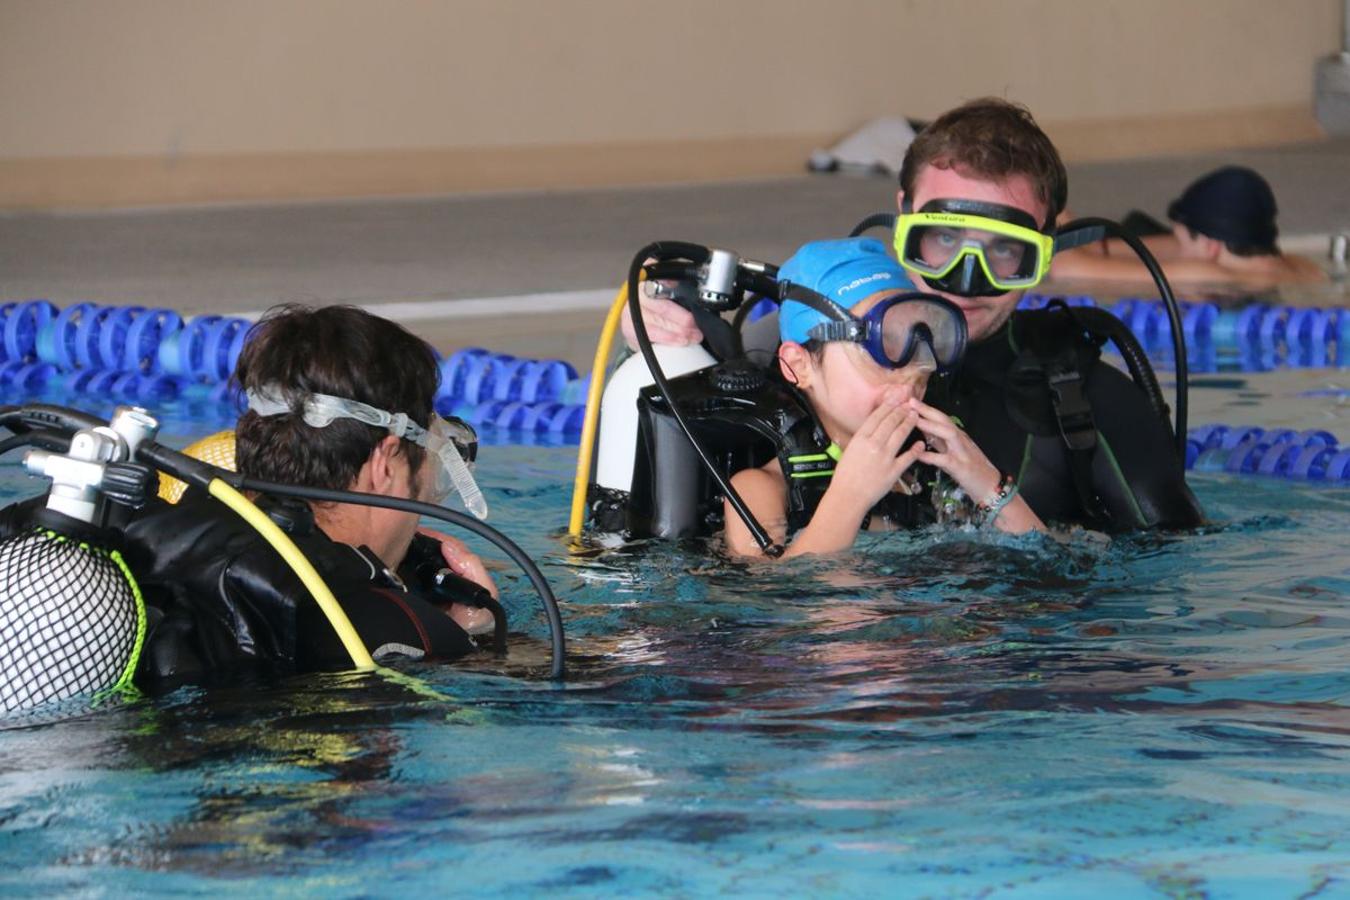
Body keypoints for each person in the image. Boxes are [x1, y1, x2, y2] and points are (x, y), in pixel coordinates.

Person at [621, 97, 1203, 531]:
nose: (966, 281)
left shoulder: (1088, 401)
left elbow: (1166, 589)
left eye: (1005, 249)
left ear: (1045, 250)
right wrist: (652, 327)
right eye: (944, 239)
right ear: (902, 221)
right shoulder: (792, 344)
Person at [119, 304, 502, 679]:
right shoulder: (387, 623)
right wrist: (477, 636)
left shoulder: (169, 526)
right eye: (429, 465)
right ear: (386, 462)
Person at [723, 238, 1044, 558]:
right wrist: (850, 498)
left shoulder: (932, 471)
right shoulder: (760, 490)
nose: (912, 372)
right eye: (880, 348)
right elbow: (777, 600)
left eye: (918, 343)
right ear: (799, 366)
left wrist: (989, 485)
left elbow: (1046, 574)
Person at [1050, 165, 1328, 286]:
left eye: (1183, 242)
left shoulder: (1210, 276)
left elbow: (1066, 268)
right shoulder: (1302, 267)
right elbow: (1109, 253)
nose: (1177, 250)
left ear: (1211, 246)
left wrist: (1047, 205)